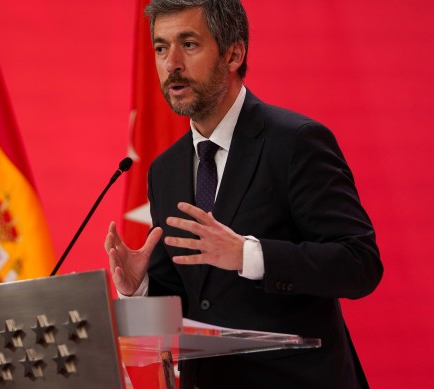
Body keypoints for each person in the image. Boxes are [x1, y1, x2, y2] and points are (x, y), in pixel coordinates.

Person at [104, 0, 383, 387]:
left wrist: (249, 255)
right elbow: (193, 305)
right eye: (161, 47)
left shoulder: (295, 143)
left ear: (234, 53)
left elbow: (360, 265)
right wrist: (141, 289)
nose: (171, 65)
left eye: (189, 44)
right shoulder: (164, 170)